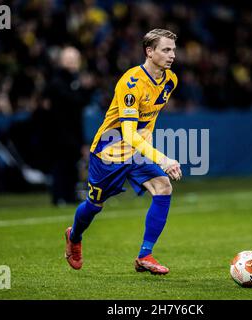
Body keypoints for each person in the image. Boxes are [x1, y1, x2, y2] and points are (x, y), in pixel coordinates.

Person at [64, 29, 182, 275]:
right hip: (110, 153)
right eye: (166, 49)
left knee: (163, 187)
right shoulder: (131, 84)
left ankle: (145, 255)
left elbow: (148, 118)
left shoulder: (170, 80)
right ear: (149, 52)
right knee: (94, 205)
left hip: (137, 152)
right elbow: (128, 134)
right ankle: (74, 236)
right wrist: (163, 158)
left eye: (173, 49)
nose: (172, 55)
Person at [46, 46, 93, 206]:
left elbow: (81, 102)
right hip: (59, 132)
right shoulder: (58, 81)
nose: (72, 63)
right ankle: (59, 196)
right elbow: (74, 101)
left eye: (75, 59)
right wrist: (84, 90)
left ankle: (68, 196)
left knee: (71, 164)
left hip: (72, 130)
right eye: (69, 59)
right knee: (61, 165)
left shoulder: (73, 81)